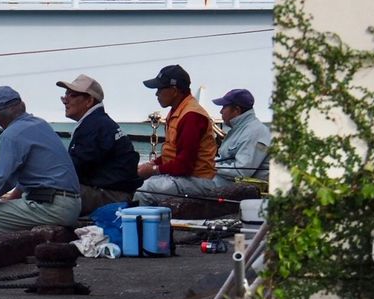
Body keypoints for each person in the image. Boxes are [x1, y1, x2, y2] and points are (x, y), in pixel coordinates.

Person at [0, 86, 82, 241]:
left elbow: (4, 175)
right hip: (70, 204)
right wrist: (13, 198)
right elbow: (33, 173)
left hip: (52, 206)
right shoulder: (40, 124)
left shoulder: (12, 134)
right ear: (22, 105)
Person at [132, 64, 218, 207]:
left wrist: (153, 170)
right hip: (185, 177)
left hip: (198, 181)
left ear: (174, 90)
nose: (156, 94)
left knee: (145, 191)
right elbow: (172, 155)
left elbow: (185, 165)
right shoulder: (179, 110)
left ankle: (142, 228)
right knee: (135, 180)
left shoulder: (192, 116)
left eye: (160, 89)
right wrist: (153, 164)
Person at [56, 73, 139, 215]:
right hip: (119, 193)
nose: (65, 100)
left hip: (111, 197)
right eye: (65, 95)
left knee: (48, 194)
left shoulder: (92, 127)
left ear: (89, 101)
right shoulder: (100, 123)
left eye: (72, 95)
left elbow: (73, 171)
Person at [211, 88, 271, 183]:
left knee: (183, 184)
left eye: (224, 107)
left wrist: (208, 165)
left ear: (236, 110)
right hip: (227, 181)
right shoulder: (240, 129)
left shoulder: (254, 132)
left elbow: (241, 171)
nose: (221, 111)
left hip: (242, 188)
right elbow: (224, 161)